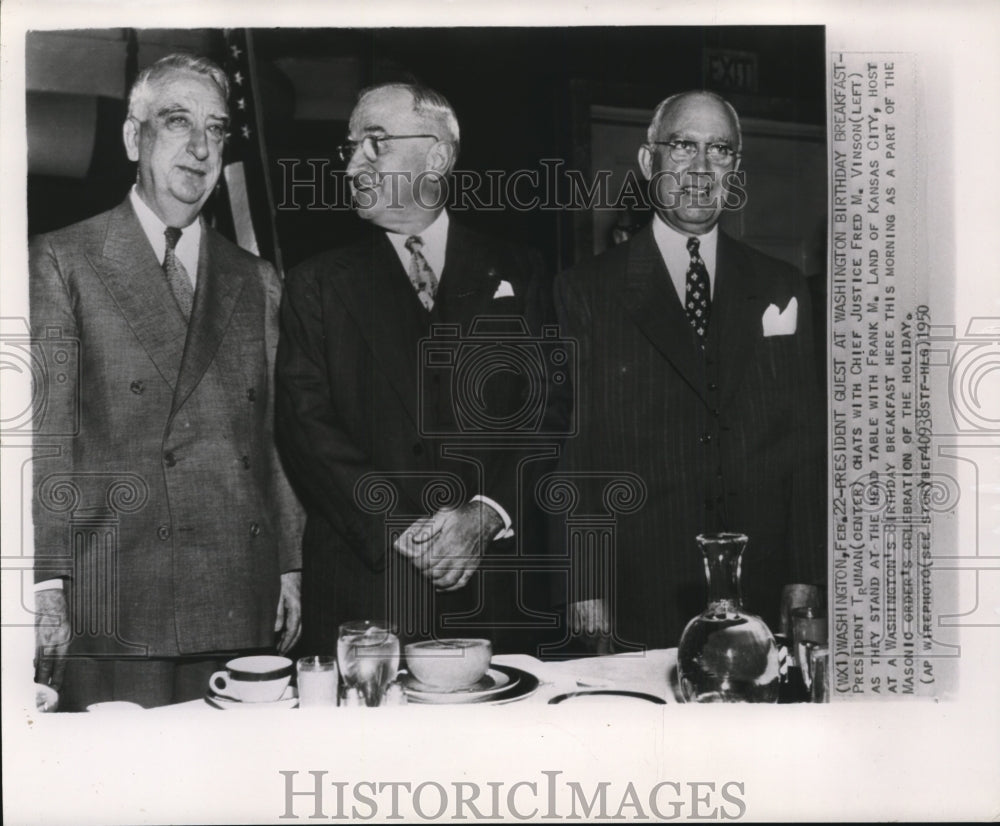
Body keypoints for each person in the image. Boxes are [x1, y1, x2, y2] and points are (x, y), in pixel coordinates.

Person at [31, 53, 303, 710]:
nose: (202, 147)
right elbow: (44, 439)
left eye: (216, 128)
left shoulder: (256, 278)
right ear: (134, 137)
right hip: (117, 589)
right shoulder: (61, 259)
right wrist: (44, 582)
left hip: (239, 589)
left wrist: (291, 565)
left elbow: (274, 440)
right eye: (177, 122)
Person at [276, 82, 554, 654]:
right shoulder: (318, 284)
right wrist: (403, 527)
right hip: (365, 593)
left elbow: (549, 410)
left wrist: (485, 515)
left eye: (374, 143)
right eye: (350, 147)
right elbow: (305, 426)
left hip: (492, 599)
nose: (354, 164)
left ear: (436, 155)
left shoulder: (520, 271)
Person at [555, 90, 826, 651]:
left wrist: (805, 577)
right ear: (648, 161)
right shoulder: (586, 290)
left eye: (720, 150)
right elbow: (574, 456)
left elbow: (804, 446)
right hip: (643, 585)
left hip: (762, 582)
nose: (701, 169)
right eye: (682, 147)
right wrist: (586, 589)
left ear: (735, 168)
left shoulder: (780, 285)